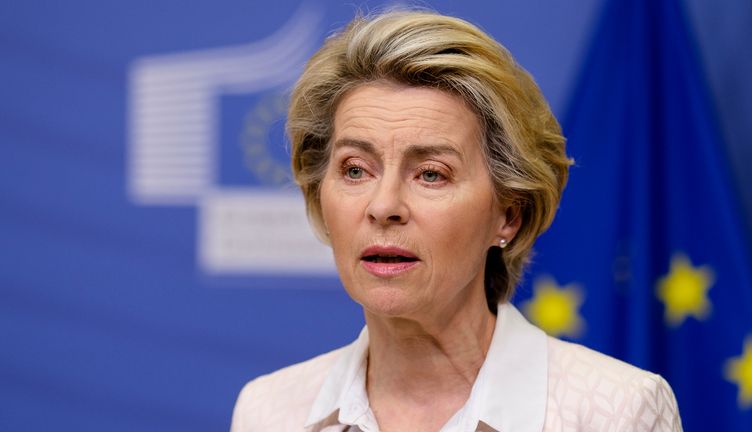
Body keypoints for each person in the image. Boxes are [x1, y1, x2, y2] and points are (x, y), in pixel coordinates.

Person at [231, 10, 682, 432]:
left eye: (431, 174)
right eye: (355, 170)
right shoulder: (270, 411)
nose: (383, 205)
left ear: (509, 214)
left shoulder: (618, 410)